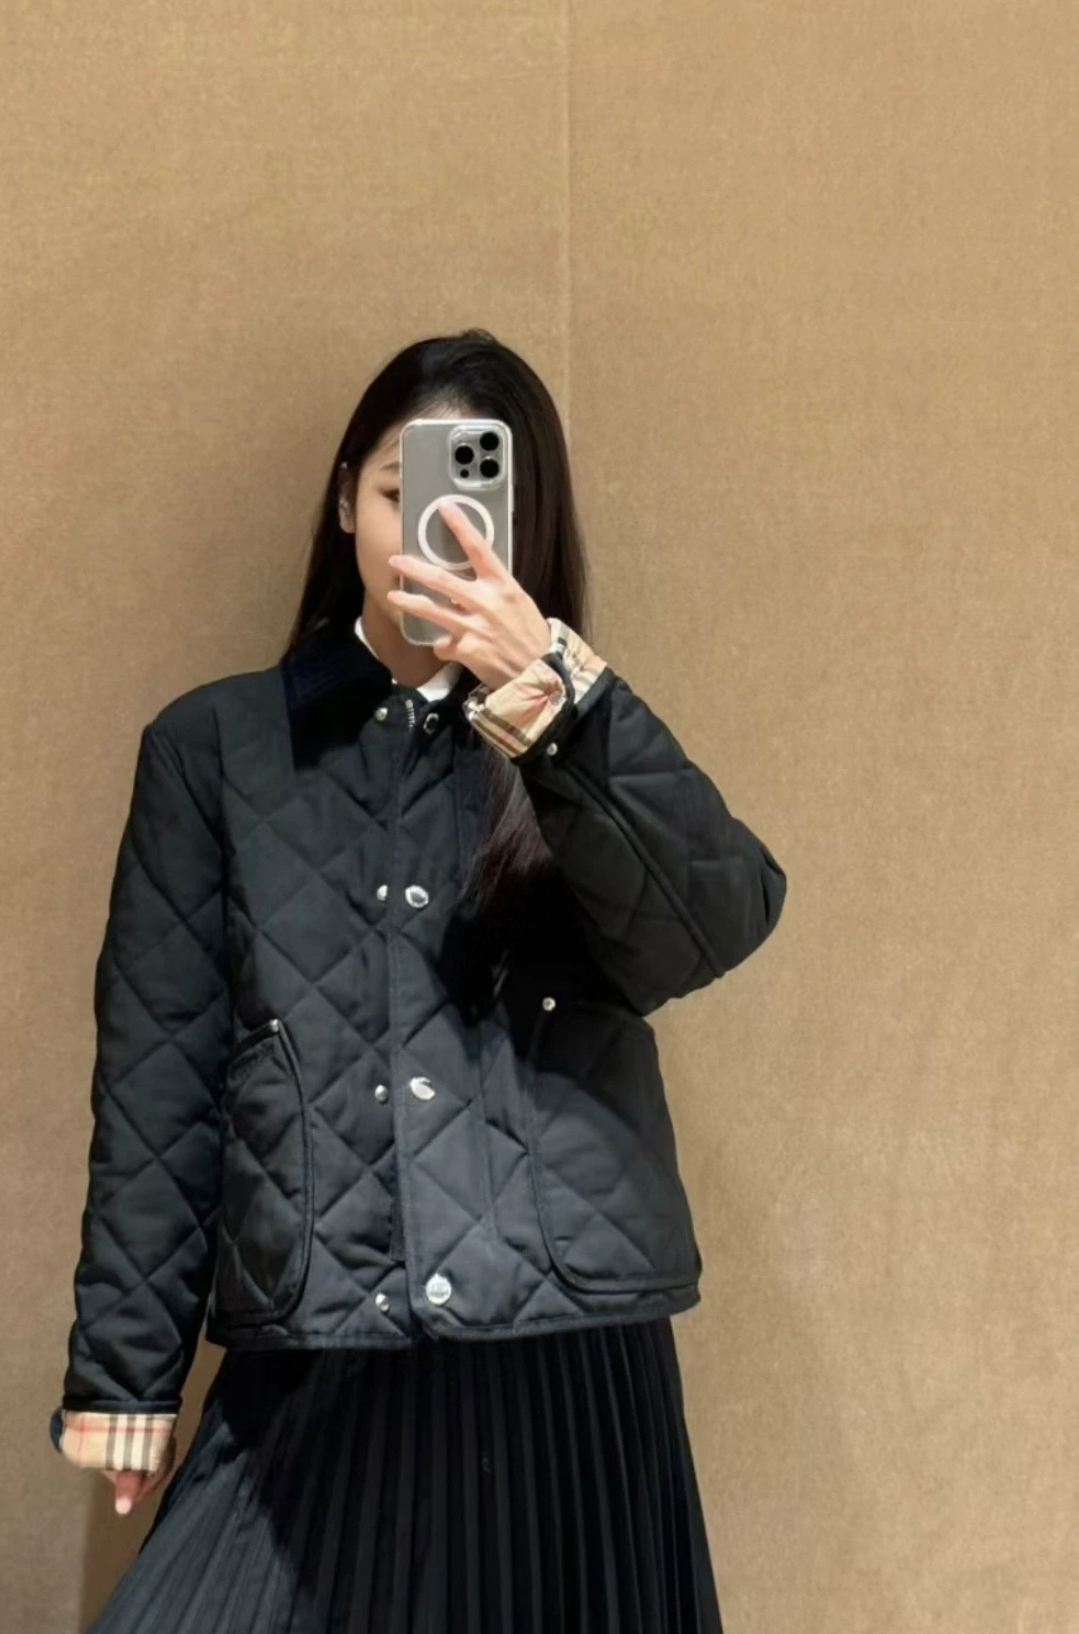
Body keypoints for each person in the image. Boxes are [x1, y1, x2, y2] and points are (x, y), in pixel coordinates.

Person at [48, 328, 788, 1633]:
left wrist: (558, 706)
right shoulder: (214, 748)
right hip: (320, 1344)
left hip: (567, 1363)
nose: (433, 533)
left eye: (474, 503)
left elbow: (712, 925)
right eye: (403, 492)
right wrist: (128, 1367)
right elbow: (161, 1076)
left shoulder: (571, 741)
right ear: (346, 500)